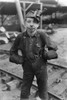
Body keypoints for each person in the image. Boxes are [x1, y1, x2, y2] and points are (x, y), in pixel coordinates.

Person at [9, 11, 58, 100]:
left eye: (35, 22)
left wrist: (47, 55)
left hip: (41, 67)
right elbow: (12, 53)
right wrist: (19, 59)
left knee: (43, 92)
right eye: (29, 21)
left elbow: (54, 49)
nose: (32, 25)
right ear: (24, 23)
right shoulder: (20, 37)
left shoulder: (42, 35)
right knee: (24, 91)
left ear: (38, 25)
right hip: (27, 67)